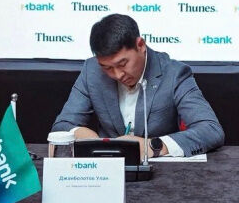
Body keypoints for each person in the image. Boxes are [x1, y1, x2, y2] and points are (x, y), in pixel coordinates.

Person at [51, 14, 224, 157]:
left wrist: (153, 146)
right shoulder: (92, 71)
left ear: (140, 45)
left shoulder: (174, 74)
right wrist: (82, 135)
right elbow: (62, 125)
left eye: (122, 64)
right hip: (105, 172)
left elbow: (211, 130)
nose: (117, 75)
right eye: (107, 68)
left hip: (160, 173)